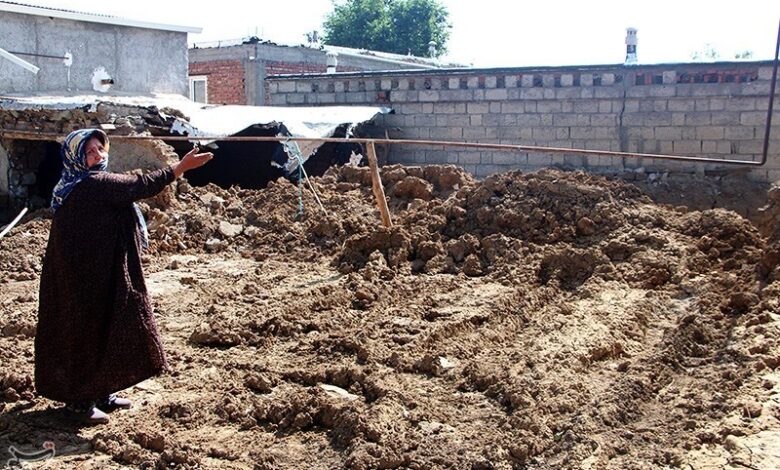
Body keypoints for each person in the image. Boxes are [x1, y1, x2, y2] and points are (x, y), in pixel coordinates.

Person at [34, 129, 213, 424]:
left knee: (109, 324)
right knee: (86, 331)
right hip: (84, 278)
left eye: (100, 149)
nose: (97, 155)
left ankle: (102, 392)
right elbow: (141, 184)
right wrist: (180, 168)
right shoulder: (92, 184)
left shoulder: (71, 185)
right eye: (89, 151)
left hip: (98, 271)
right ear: (75, 156)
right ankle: (79, 403)